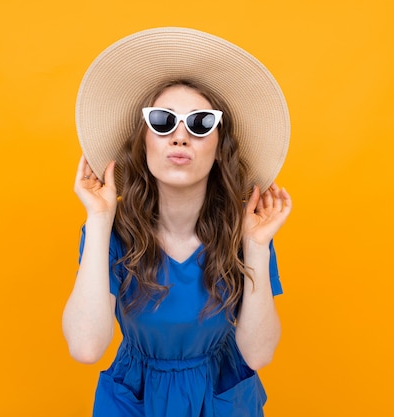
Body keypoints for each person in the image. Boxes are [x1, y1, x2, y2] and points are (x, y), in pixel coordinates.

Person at [62, 27, 292, 417]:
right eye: (162, 120)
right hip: (134, 398)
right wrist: (99, 220)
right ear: (144, 140)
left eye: (200, 123)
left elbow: (258, 353)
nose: (180, 137)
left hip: (222, 397)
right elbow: (85, 348)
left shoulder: (247, 234)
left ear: (220, 147)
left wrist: (255, 246)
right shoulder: (111, 234)